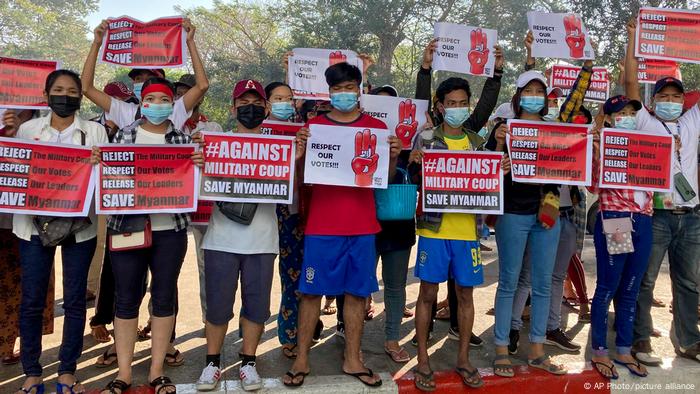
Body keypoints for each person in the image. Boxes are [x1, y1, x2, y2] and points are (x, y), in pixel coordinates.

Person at [282, 62, 402, 388]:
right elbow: (299, 180)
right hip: (322, 226)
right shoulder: (313, 128)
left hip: (363, 226)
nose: (344, 94)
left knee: (357, 295)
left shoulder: (376, 129)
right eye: (337, 89)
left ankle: (353, 358)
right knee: (310, 294)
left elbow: (383, 182)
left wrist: (392, 157)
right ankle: (302, 358)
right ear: (329, 92)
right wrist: (300, 155)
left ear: (359, 88)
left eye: (349, 87)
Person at [408, 43, 505, 390]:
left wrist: (500, 169)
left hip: (468, 233)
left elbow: (488, 104)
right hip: (434, 232)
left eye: (463, 103)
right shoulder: (427, 140)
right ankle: (422, 360)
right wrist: (415, 165)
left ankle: (463, 359)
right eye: (451, 104)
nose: (459, 109)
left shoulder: (478, 143)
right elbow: (415, 177)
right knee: (427, 295)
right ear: (439, 107)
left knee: (465, 296)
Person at [98, 78, 204, 394]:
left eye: (163, 99)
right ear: (141, 103)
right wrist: (99, 164)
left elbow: (193, 186)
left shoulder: (182, 139)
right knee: (126, 299)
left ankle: (156, 371)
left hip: (169, 230)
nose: (157, 104)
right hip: (127, 227)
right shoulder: (122, 136)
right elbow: (110, 177)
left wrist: (198, 164)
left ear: (172, 104)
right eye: (151, 98)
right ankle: (124, 374)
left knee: (162, 297)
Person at [13, 69, 107, 394]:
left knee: (76, 300)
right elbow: (14, 171)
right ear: (46, 93)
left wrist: (98, 166)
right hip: (33, 227)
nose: (64, 96)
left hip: (80, 227)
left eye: (71, 91)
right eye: (58, 90)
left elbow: (108, 181)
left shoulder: (95, 132)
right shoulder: (27, 130)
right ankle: (32, 372)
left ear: (80, 96)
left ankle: (67, 371)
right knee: (32, 300)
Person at [625, 19, 700, 365]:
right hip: (655, 215)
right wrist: (631, 40)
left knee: (688, 285)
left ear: (684, 100)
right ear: (654, 101)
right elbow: (630, 86)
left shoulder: (691, 121)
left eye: (676, 96)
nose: (671, 101)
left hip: (692, 217)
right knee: (644, 280)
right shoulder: (646, 122)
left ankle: (687, 340)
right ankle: (641, 338)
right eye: (664, 96)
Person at [195, 79, 278, 392]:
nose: (251, 108)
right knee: (217, 306)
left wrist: (295, 159)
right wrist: (201, 164)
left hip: (262, 239)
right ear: (233, 109)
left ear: (266, 108)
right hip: (220, 238)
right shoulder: (216, 143)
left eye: (256, 102)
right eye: (243, 103)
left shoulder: (278, 147)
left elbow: (291, 187)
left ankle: (248, 363)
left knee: (256, 306)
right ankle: (212, 363)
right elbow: (202, 183)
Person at [486, 70, 565, 378]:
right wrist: (498, 155)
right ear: (518, 96)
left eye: (539, 91)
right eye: (528, 91)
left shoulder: (555, 129)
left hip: (546, 216)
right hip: (513, 214)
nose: (534, 96)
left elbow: (564, 172)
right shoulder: (502, 130)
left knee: (542, 285)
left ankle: (537, 350)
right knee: (509, 281)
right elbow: (487, 176)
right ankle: (502, 348)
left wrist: (586, 146)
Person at [586, 95, 651, 379]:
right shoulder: (600, 143)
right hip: (616, 218)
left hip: (644, 218)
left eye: (631, 112)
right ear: (611, 117)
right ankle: (600, 350)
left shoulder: (649, 144)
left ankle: (624, 348)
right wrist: (597, 150)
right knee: (608, 286)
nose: (627, 116)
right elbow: (592, 186)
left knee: (631, 287)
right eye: (620, 113)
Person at [266, 81, 324, 360]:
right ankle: (288, 334)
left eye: (288, 98)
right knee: (280, 276)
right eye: (278, 98)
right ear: (267, 103)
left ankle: (306, 328)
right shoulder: (256, 132)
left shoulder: (305, 129)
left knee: (301, 272)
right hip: (266, 211)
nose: (284, 103)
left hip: (298, 209)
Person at [0, 109, 55, 368]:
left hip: (33, 222)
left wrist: (17, 136)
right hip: (6, 219)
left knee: (33, 287)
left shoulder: (45, 121)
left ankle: (24, 348)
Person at [81, 19, 208, 131]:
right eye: (138, 79)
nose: (144, 83)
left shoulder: (176, 110)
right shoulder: (124, 110)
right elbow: (86, 88)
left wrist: (190, 42)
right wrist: (96, 43)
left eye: (150, 79)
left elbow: (202, 85)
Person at [174, 73, 223, 326]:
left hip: (204, 204)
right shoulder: (168, 127)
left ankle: (208, 318)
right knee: (165, 267)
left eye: (188, 92)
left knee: (206, 264)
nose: (182, 97)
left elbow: (224, 163)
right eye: (179, 93)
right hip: (172, 203)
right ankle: (158, 321)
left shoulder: (213, 129)